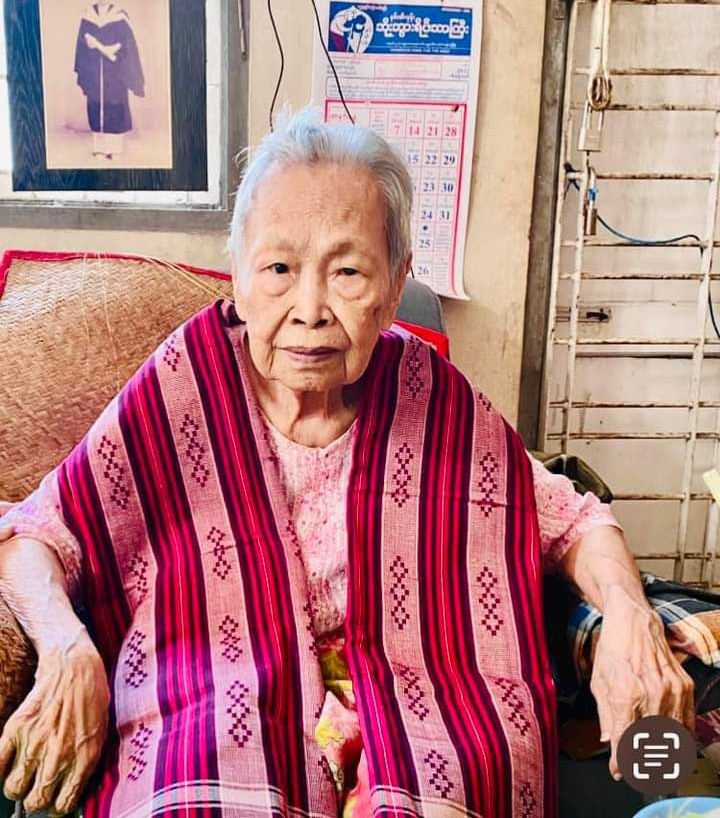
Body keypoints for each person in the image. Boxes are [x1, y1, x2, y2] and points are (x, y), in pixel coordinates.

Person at [0, 111, 694, 818]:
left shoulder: (436, 400)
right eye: (279, 269)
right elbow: (36, 531)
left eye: (348, 272)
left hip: (428, 706)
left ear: (395, 286)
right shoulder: (183, 387)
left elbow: (574, 519)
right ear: (238, 275)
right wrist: (64, 648)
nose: (310, 309)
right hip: (213, 696)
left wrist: (629, 615)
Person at [73, 0, 145, 161]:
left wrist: (115, 48)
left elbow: (128, 43)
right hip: (94, 70)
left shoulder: (119, 15)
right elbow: (81, 45)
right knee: (96, 105)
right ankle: (99, 148)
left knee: (115, 105)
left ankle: (115, 148)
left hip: (116, 71)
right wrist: (89, 46)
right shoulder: (87, 16)